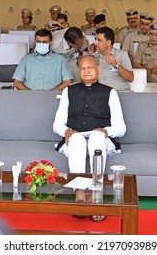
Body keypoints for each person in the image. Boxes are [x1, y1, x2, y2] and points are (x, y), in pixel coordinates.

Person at [53, 54, 126, 221]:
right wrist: (66, 132)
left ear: (98, 69)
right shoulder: (69, 91)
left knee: (96, 137)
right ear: (79, 71)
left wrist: (107, 131)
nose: (86, 71)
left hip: (100, 138)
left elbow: (121, 127)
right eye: (83, 68)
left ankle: (95, 194)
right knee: (77, 139)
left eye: (90, 68)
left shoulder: (110, 92)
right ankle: (79, 194)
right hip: (75, 136)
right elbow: (57, 123)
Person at [90, 27, 134, 91]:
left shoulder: (122, 55)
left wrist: (116, 64)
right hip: (102, 94)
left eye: (99, 40)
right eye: (95, 39)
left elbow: (130, 78)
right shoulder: (94, 57)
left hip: (120, 92)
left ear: (108, 42)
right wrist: (89, 54)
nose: (95, 43)